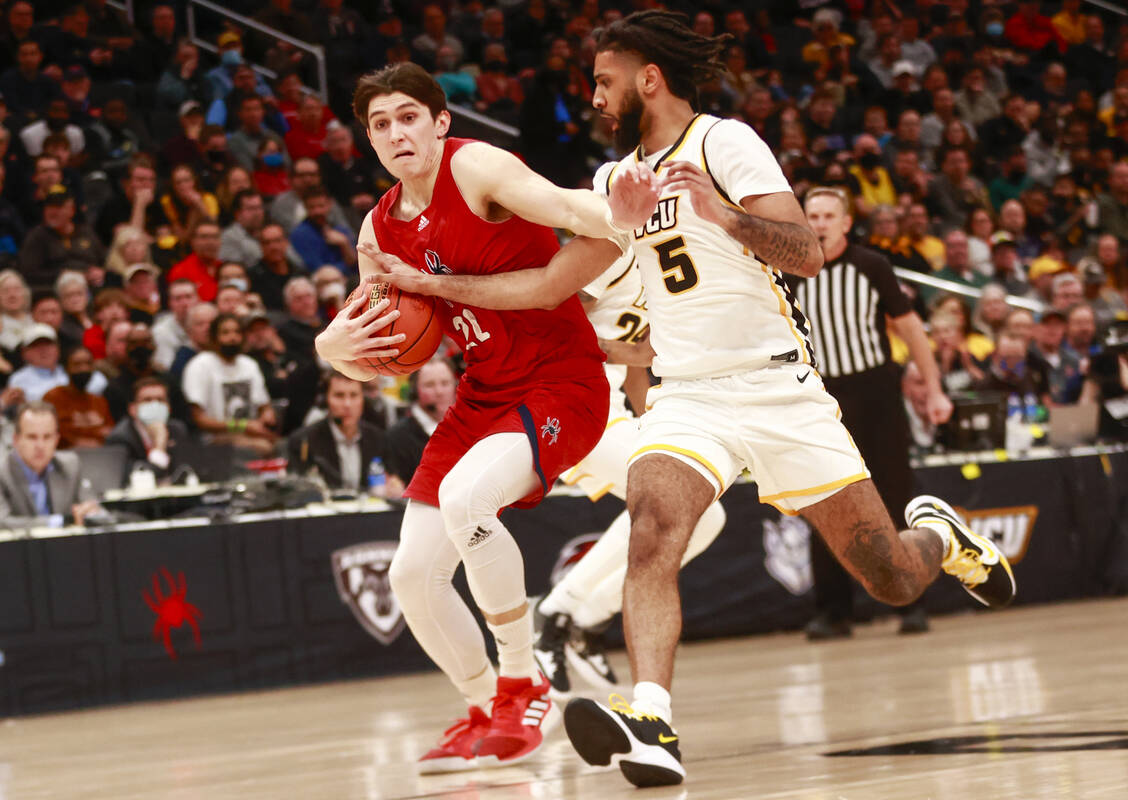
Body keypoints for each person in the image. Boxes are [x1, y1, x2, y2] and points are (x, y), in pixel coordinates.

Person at [369, 13, 1016, 787]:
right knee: (654, 527)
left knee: (892, 576)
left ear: (649, 78)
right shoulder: (615, 184)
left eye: (605, 82)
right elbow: (547, 286)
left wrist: (720, 211)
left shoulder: (723, 143)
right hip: (688, 398)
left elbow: (805, 253)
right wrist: (433, 286)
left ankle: (941, 540)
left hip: (776, 387)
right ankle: (652, 721)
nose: (596, 98)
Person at [313, 62, 636, 772]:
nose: (397, 133)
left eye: (408, 117)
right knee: (410, 576)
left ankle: (526, 682)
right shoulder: (376, 232)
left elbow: (567, 209)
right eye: (380, 124)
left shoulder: (479, 169)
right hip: (483, 393)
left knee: (468, 501)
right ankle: (485, 704)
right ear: (368, 139)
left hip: (561, 383)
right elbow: (364, 341)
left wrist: (622, 212)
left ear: (440, 121)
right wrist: (329, 348)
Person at [532, 253, 728, 698]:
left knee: (705, 513)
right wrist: (630, 352)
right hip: (568, 402)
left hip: (611, 408)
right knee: (681, 502)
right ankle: (561, 614)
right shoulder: (609, 250)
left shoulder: (665, 264)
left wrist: (656, 427)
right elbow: (548, 330)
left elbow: (638, 367)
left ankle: (578, 615)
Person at [795, 187, 955, 639]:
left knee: (895, 497)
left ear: (846, 223)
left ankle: (912, 601)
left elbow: (910, 329)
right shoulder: (789, 272)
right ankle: (834, 610)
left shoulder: (871, 266)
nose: (821, 223)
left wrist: (935, 388)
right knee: (822, 498)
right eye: (814, 215)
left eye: (829, 215)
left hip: (876, 393)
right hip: (820, 399)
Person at [0, 401, 102, 530]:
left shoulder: (70, 465)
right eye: (32, 437)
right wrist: (61, 522)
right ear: (16, 439)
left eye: (47, 437)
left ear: (56, 440)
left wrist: (91, 513)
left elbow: (94, 509)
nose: (40, 446)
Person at [182, 312, 277, 453]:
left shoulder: (249, 364)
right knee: (262, 448)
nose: (232, 338)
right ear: (214, 337)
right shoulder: (200, 365)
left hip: (251, 432)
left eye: (237, 332)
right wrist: (242, 426)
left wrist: (267, 414)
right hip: (213, 438)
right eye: (225, 333)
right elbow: (199, 419)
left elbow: (264, 404)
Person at [287, 369, 389, 493]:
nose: (347, 404)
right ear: (325, 400)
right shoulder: (303, 441)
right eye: (339, 396)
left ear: (363, 399)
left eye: (354, 395)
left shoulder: (377, 438)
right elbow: (297, 490)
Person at [382, 357, 457, 485]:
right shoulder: (397, 436)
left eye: (445, 383)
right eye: (429, 385)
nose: (439, 392)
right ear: (415, 390)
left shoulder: (469, 429)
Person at [106, 376, 189, 482]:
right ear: (132, 409)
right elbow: (132, 478)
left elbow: (186, 469)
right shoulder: (120, 437)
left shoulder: (177, 430)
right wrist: (159, 446)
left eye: (160, 400)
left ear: (169, 407)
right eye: (147, 400)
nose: (155, 405)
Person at [42, 346, 114, 449]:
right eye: (77, 364)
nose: (84, 369)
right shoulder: (53, 398)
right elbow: (49, 432)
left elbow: (110, 432)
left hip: (99, 455)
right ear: (66, 368)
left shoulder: (99, 401)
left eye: (88, 364)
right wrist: (76, 441)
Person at [152, 278, 198, 370]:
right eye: (178, 299)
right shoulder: (161, 330)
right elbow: (166, 367)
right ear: (170, 303)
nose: (184, 303)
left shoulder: (209, 323)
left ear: (198, 299)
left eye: (188, 297)